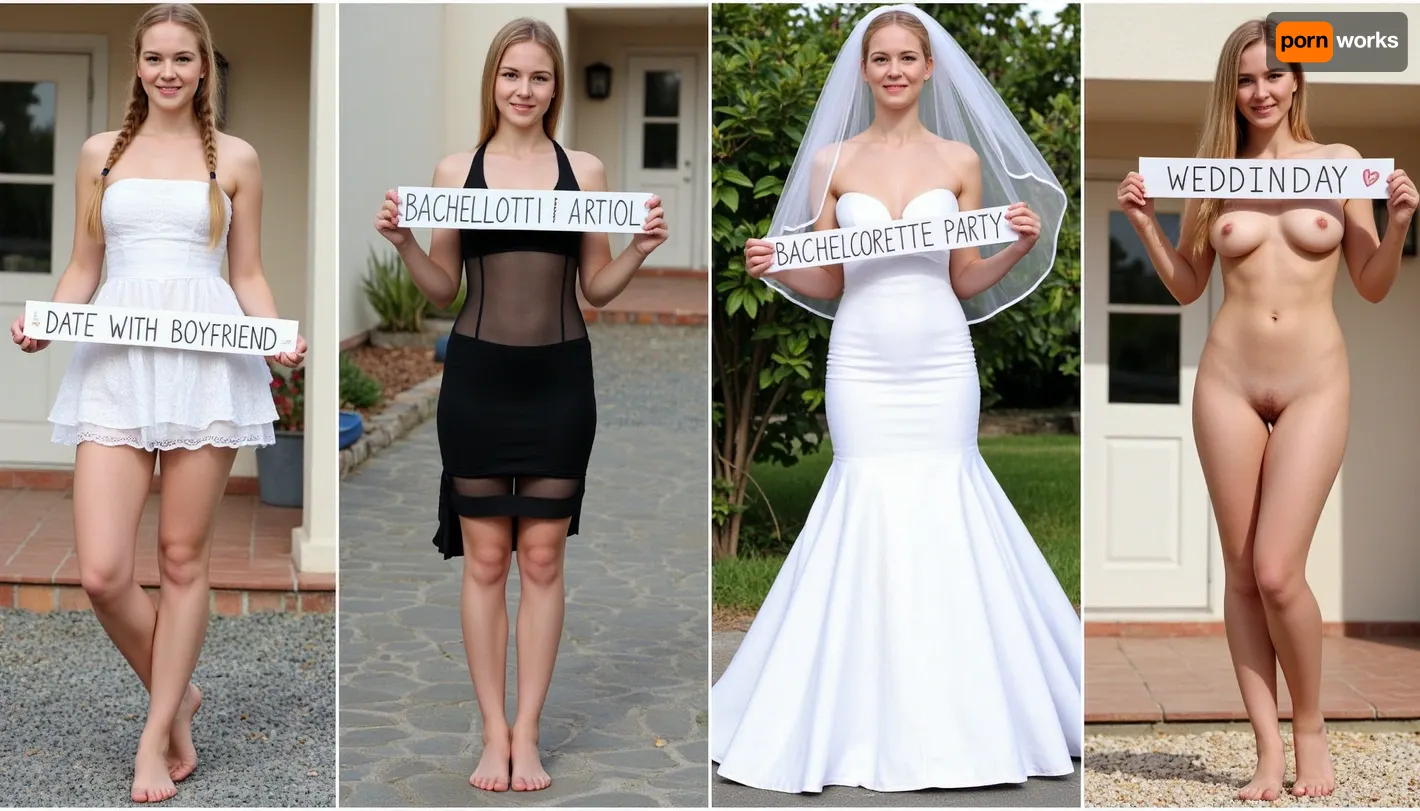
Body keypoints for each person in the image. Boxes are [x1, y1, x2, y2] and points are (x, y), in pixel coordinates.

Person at [711, 4, 1081, 794]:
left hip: (941, 357)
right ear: (864, 70)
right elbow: (829, 276)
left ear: (929, 68)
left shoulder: (958, 161)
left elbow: (964, 275)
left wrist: (1013, 244)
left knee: (946, 493)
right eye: (880, 58)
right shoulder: (831, 163)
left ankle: (968, 709)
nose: (894, 70)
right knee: (868, 495)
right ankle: (849, 711)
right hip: (864, 360)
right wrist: (776, 266)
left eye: (907, 57)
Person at [8, 3, 307, 804]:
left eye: (183, 58)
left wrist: (273, 333)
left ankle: (157, 730)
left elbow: (245, 272)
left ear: (204, 66)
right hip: (116, 360)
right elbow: (82, 262)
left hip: (206, 364)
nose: (168, 71)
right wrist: (47, 316)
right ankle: (182, 693)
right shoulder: (99, 154)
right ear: (137, 66)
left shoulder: (236, 157)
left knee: (182, 558)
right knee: (104, 571)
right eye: (154, 58)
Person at [1116, 19, 1415, 802]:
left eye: (1276, 75)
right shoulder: (1216, 173)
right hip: (1227, 383)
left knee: (1281, 570)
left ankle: (1310, 728)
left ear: (1298, 82)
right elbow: (1188, 286)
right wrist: (1144, 222)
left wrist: (1401, 221)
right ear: (1233, 87)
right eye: (1248, 78)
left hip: (1317, 379)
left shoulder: (1340, 164)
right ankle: (1266, 755)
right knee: (1244, 572)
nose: (1263, 91)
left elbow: (1374, 283)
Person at [372, 17, 667, 794]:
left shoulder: (588, 171)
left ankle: (528, 731)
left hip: (561, 382)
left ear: (554, 87)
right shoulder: (455, 168)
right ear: (492, 82)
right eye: (512, 75)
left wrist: (639, 249)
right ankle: (492, 730)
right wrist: (405, 242)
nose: (524, 90)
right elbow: (445, 286)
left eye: (538, 77)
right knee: (487, 558)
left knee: (541, 556)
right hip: (476, 381)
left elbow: (594, 289)